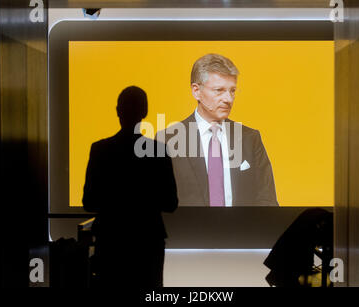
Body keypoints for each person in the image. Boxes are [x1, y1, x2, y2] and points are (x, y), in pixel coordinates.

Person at [82, 86, 178, 288]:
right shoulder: (158, 151)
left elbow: (89, 201)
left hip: (111, 241)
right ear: (145, 112)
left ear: (118, 111)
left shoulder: (100, 150)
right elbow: (170, 203)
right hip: (148, 241)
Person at [157, 53, 278, 207]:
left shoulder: (250, 138)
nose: (228, 99)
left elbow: (267, 200)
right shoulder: (166, 140)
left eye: (232, 90)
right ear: (196, 91)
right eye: (219, 90)